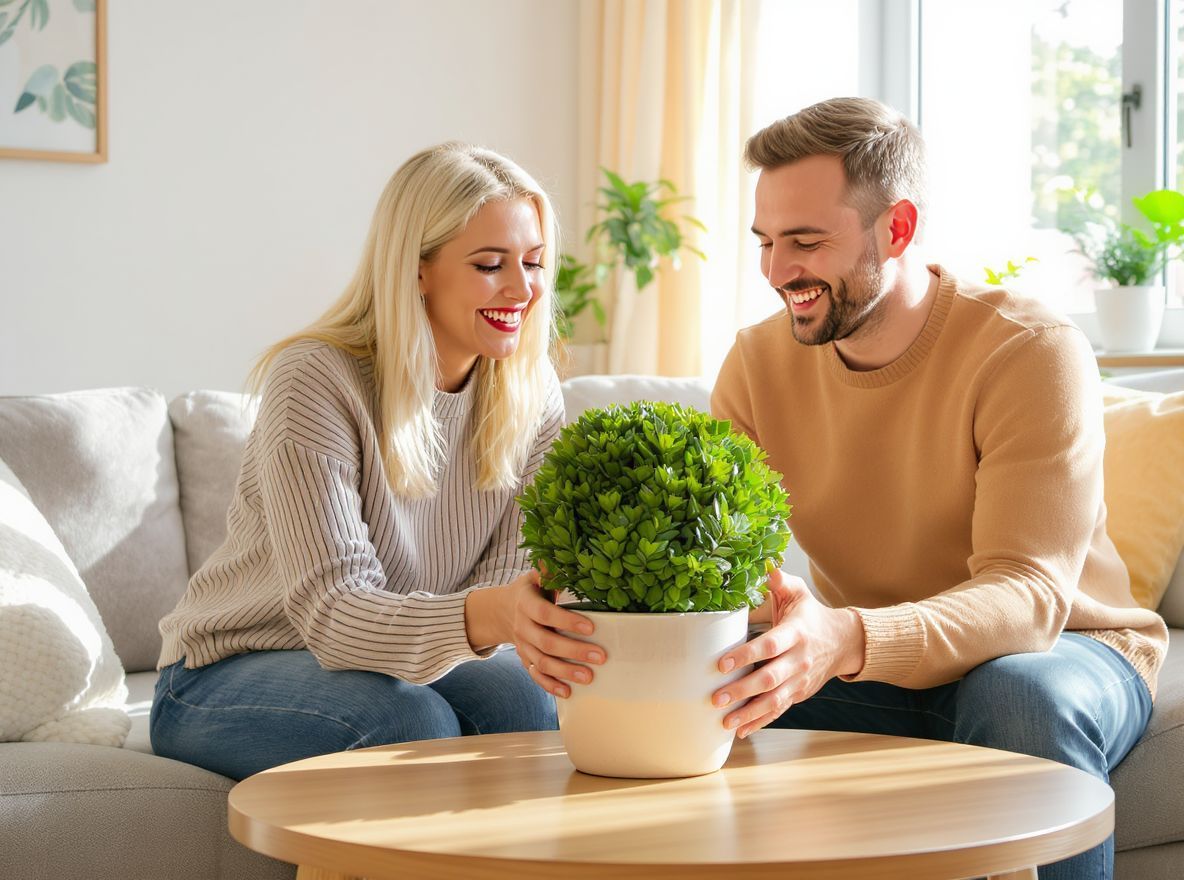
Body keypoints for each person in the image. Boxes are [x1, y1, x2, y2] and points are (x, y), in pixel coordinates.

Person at [709, 97, 1168, 879]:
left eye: (806, 241)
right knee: (697, 691)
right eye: (766, 241)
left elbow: (1026, 596)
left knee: (1018, 696)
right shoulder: (757, 364)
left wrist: (845, 639)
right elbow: (720, 566)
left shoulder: (1028, 351)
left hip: (1065, 650)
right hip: (870, 665)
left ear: (896, 228)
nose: (778, 270)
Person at [151, 143, 605, 781]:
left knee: (524, 701)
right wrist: (502, 611)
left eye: (533, 263)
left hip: (405, 668)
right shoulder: (317, 378)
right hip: (225, 673)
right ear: (417, 268)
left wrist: (523, 613)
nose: (522, 289)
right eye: (489, 264)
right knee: (408, 725)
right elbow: (335, 614)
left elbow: (509, 603)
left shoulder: (531, 396)